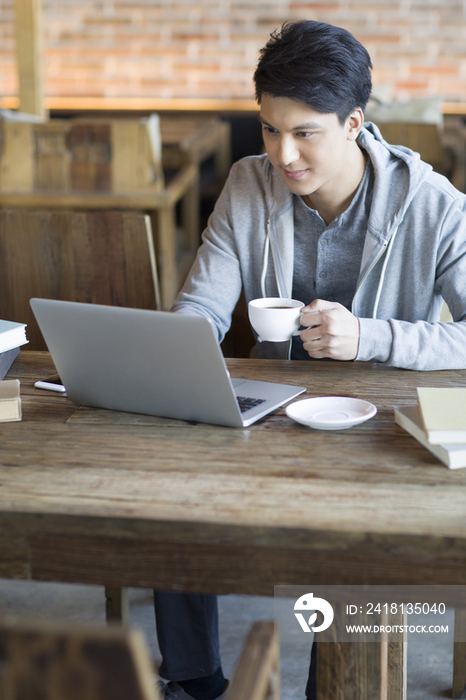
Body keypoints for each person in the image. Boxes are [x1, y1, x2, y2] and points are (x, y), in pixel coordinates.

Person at [156, 19, 466, 700]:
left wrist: (372, 338)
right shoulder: (248, 185)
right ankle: (192, 679)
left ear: (354, 121)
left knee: (358, 553)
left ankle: (342, 687)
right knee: (171, 479)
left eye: (304, 133)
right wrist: (175, 358)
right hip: (271, 418)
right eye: (269, 129)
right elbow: (200, 313)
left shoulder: (434, 205)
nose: (283, 154)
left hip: (382, 427)